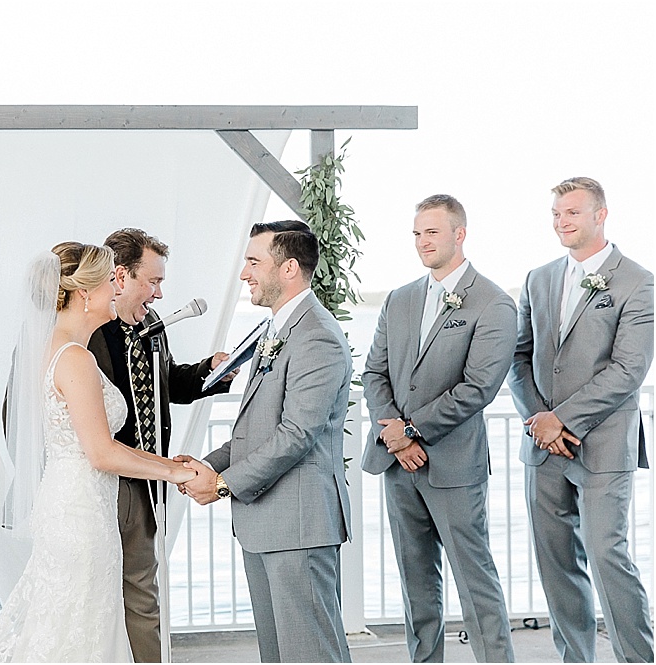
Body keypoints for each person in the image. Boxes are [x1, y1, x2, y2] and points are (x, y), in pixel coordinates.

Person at [0, 242, 197, 663]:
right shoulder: (74, 357)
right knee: (79, 630)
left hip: (78, 502)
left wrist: (170, 464)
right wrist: (177, 473)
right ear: (85, 293)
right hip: (81, 514)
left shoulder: (56, 348)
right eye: (110, 280)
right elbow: (101, 453)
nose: (117, 288)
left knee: (74, 626)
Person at [180, 221, 353, 663]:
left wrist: (221, 484)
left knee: (312, 654)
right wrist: (200, 465)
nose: (244, 274)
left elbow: (295, 435)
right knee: (277, 656)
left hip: (298, 525)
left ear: (289, 268)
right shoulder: (274, 331)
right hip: (266, 524)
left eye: (254, 262)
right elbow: (255, 430)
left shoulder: (317, 335)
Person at [360, 195, 516, 662]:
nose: (422, 241)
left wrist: (411, 431)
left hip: (453, 465)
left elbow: (478, 388)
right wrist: (393, 433)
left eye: (431, 232)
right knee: (415, 580)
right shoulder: (400, 298)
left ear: (458, 234)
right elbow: (374, 374)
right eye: (416, 233)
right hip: (397, 463)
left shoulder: (494, 303)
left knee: (475, 580)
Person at [508, 177, 654, 663]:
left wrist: (563, 420)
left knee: (606, 553)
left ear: (600, 215)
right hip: (543, 446)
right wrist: (538, 420)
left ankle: (638, 657)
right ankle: (576, 658)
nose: (561, 221)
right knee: (555, 562)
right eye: (555, 213)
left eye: (571, 212)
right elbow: (519, 356)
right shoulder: (538, 277)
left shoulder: (638, 281)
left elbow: (628, 370)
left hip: (604, 443)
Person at [88, 228, 234, 662]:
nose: (159, 293)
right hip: (105, 475)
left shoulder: (152, 325)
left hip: (147, 478)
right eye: (152, 281)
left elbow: (164, 383)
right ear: (120, 277)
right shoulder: (92, 331)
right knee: (111, 590)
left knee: (140, 589)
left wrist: (209, 373)